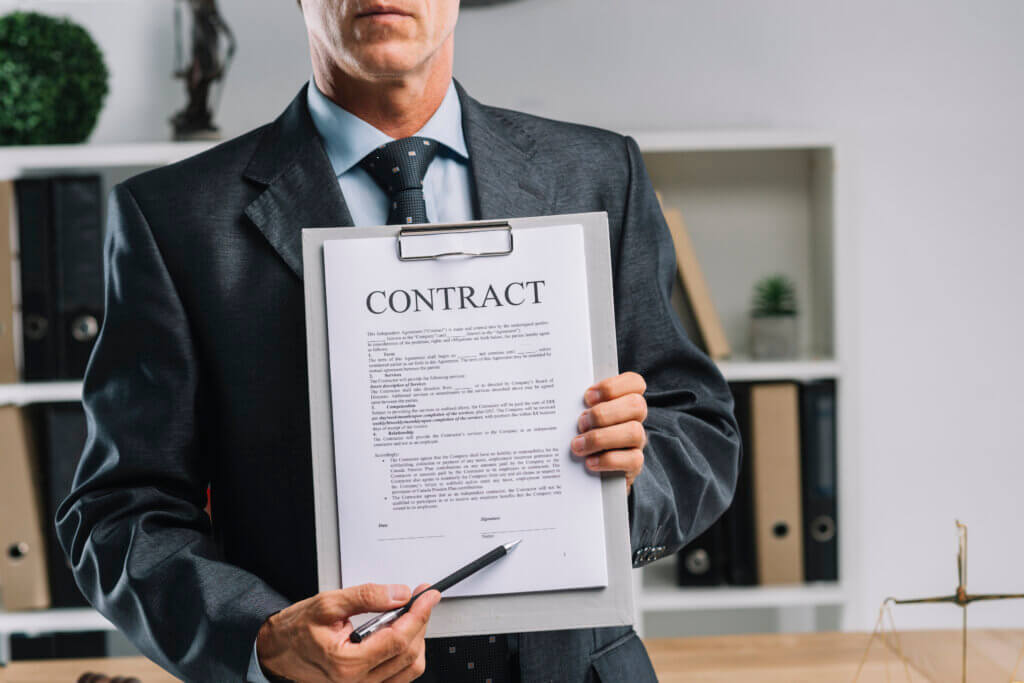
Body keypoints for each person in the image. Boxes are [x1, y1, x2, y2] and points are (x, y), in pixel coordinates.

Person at [56, 0, 741, 680]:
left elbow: (700, 427)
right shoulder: (174, 219)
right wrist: (263, 637)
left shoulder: (599, 173)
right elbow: (118, 512)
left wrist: (629, 477)